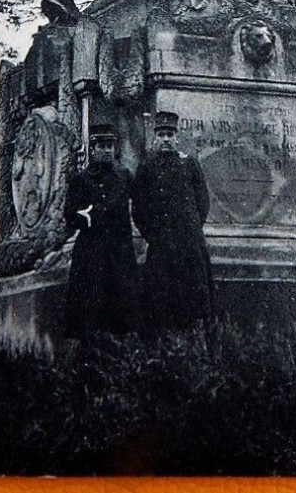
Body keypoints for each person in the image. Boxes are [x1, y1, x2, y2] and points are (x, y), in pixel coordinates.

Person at [132, 111, 213, 333]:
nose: (166, 139)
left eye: (170, 134)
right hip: (161, 245)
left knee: (192, 301)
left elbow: (202, 203)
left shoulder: (189, 164)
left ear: (177, 137)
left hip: (189, 244)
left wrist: (190, 228)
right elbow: (138, 209)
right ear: (154, 137)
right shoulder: (146, 167)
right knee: (160, 302)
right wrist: (154, 235)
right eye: (161, 134)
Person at [64, 123, 141, 342]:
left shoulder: (124, 176)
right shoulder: (81, 179)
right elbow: (70, 214)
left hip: (120, 250)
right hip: (92, 251)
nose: (107, 151)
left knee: (122, 305)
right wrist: (93, 215)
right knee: (91, 307)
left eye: (110, 146)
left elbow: (140, 202)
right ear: (93, 149)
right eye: (102, 146)